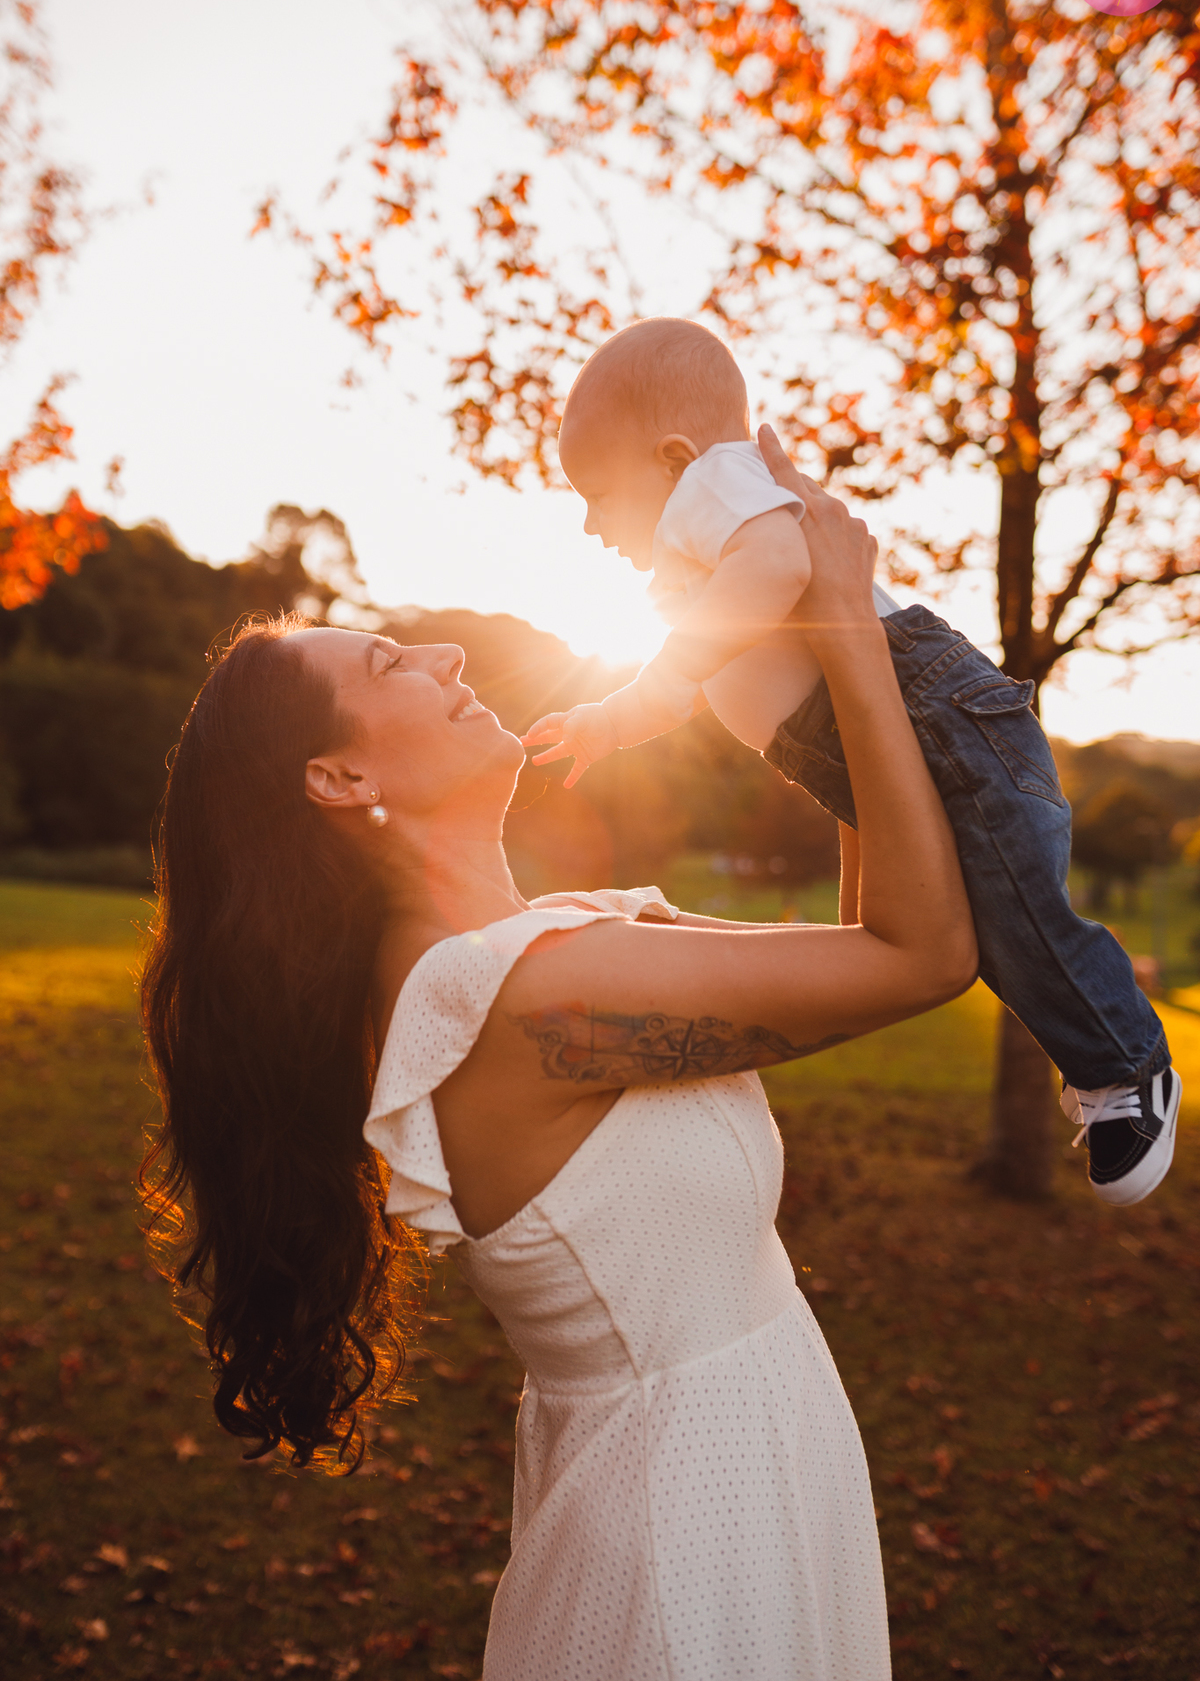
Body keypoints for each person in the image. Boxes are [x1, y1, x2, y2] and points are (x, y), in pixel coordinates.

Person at [141, 461, 975, 1681]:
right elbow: (923, 954)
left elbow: (861, 946)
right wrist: (848, 633)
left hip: (757, 1466)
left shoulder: (544, 949)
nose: (446, 659)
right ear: (341, 779)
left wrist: (813, 664)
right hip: (688, 1545)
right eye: (390, 667)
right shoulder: (520, 999)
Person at [524, 317, 1181, 1207]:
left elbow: (779, 565)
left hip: (931, 705)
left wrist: (637, 695)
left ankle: (1126, 1061)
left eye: (597, 491)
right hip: (870, 733)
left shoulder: (714, 486)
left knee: (1018, 899)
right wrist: (620, 717)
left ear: (675, 458)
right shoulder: (696, 543)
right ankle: (1100, 1059)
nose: (589, 521)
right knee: (982, 917)